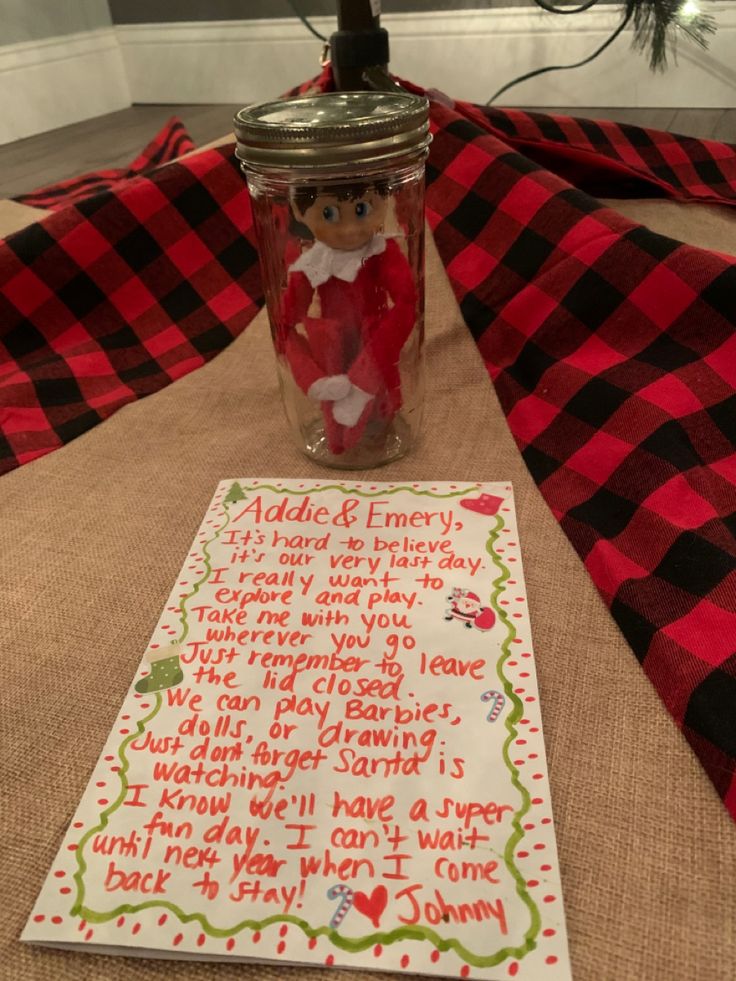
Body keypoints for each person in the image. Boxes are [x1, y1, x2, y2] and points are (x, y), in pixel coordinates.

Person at [278, 180, 417, 455]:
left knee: (378, 407)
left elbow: (407, 302)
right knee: (283, 335)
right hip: (333, 350)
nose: (350, 229)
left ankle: (377, 428)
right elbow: (285, 323)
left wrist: (366, 373)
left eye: (362, 209)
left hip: (375, 341)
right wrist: (312, 377)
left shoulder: (380, 251)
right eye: (328, 214)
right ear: (299, 211)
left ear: (384, 201)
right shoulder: (314, 261)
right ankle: (332, 410)